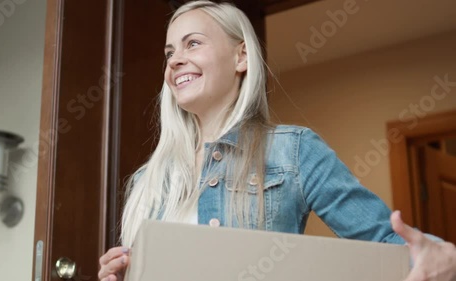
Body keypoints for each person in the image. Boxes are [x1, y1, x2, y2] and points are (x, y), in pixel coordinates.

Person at [98, 1, 456, 280]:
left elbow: (389, 243)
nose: (176, 61)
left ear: (241, 57)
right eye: (169, 53)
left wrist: (445, 258)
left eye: (193, 43)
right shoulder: (149, 180)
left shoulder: (294, 151)